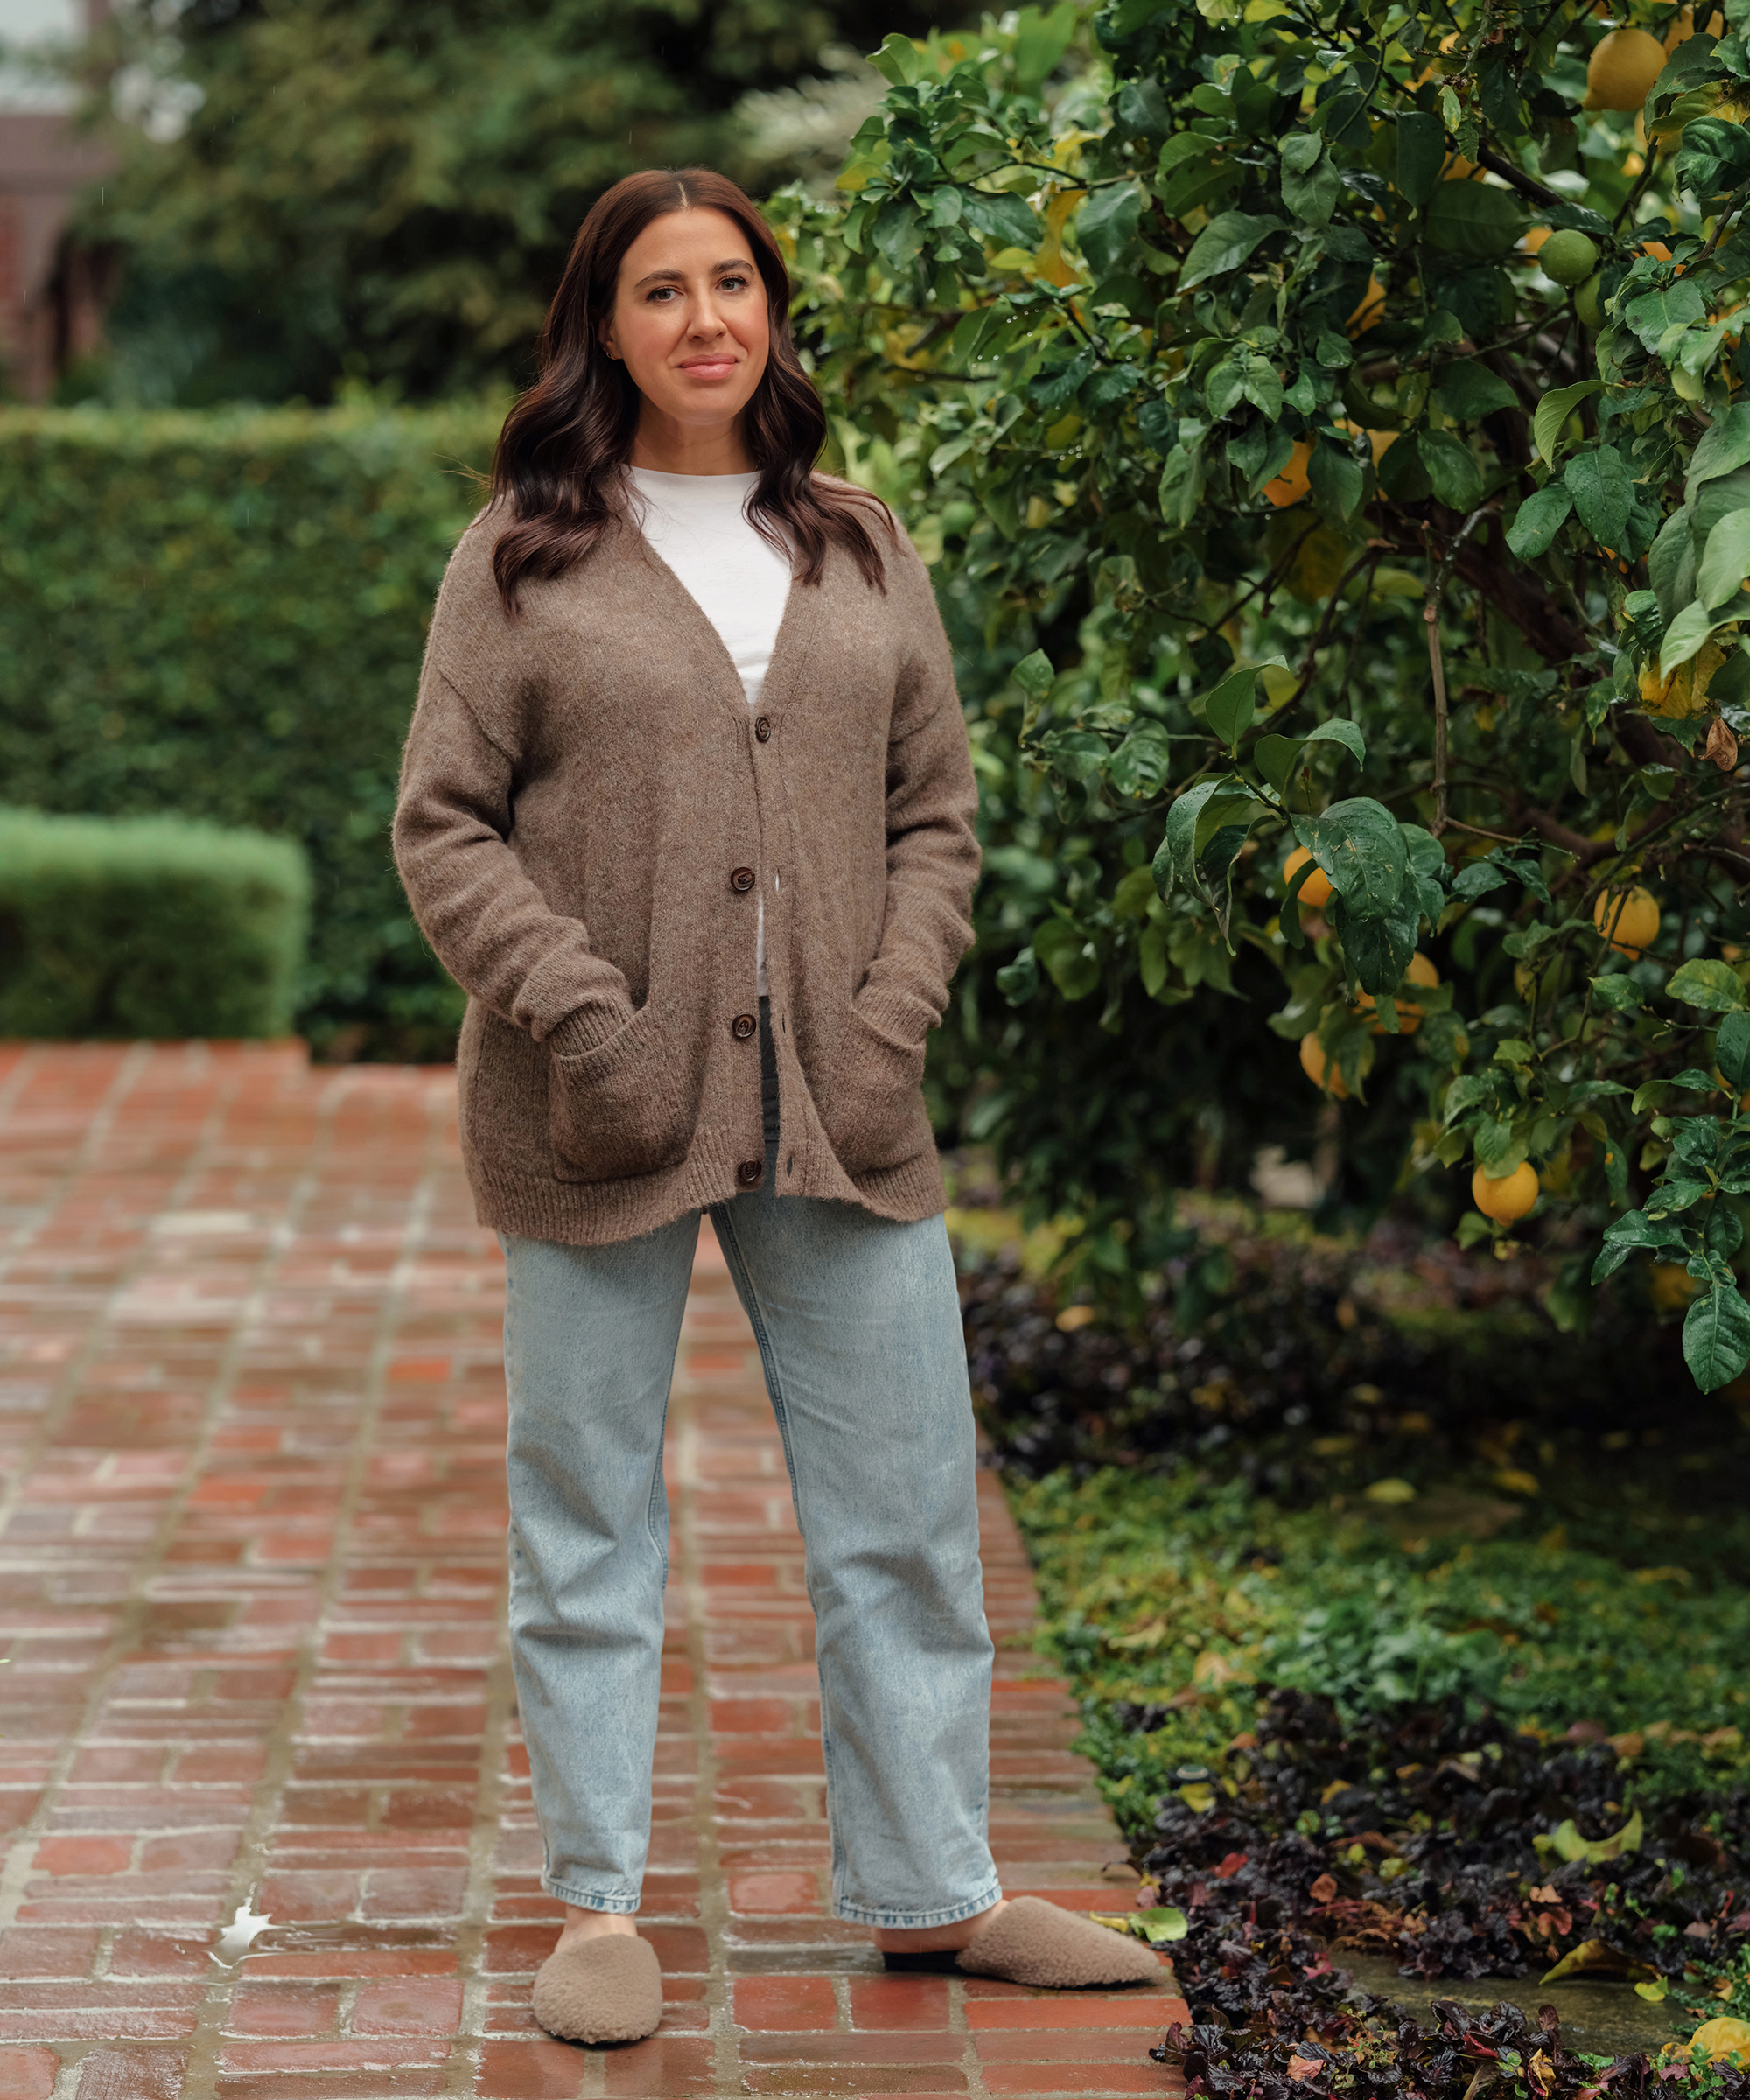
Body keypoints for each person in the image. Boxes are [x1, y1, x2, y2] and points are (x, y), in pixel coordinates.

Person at [391, 166, 1159, 2048]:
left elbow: (933, 817)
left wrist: (889, 1015)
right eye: (663, 291)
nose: (706, 319)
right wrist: (587, 1013)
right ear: (606, 325)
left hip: (845, 1105)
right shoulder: (521, 557)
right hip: (601, 1115)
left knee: (901, 1506)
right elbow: (441, 825)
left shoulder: (861, 544)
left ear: (771, 312)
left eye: (733, 282)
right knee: (589, 1513)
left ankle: (938, 1891)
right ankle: (594, 1905)